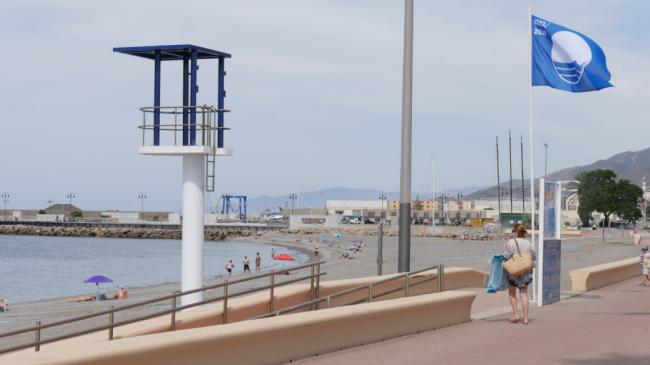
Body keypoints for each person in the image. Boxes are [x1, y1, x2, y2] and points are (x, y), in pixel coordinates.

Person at [503, 223, 535, 325]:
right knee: (524, 294)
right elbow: (534, 257)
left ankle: (516, 315)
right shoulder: (529, 243)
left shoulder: (511, 242)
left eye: (513, 231)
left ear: (516, 232)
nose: (513, 233)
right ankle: (525, 319)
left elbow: (506, 256)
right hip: (525, 272)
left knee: (512, 293)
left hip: (513, 271)